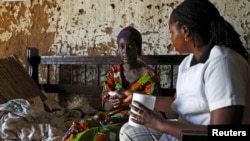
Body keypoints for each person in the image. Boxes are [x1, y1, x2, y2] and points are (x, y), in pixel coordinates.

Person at [119, 0, 250, 141]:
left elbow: (222, 133)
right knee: (129, 130)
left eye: (171, 33)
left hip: (198, 135)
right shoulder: (187, 63)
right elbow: (178, 103)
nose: (171, 40)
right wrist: (136, 97)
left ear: (185, 31)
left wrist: (159, 123)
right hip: (182, 130)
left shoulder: (222, 63)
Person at [62, 26, 161, 141]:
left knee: (101, 135)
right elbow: (105, 105)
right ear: (118, 49)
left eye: (130, 46)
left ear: (137, 48)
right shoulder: (114, 72)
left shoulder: (149, 77)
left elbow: (150, 110)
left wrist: (121, 118)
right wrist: (112, 103)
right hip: (108, 116)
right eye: (122, 46)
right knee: (78, 127)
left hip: (134, 122)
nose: (125, 51)